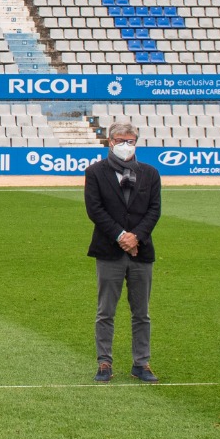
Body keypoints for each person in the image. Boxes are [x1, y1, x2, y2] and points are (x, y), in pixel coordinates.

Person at [83, 121, 162, 384]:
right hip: (109, 250)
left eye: (131, 140)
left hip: (142, 250)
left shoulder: (150, 174)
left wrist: (136, 236)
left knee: (142, 312)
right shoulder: (95, 172)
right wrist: (121, 236)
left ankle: (142, 363)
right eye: (121, 141)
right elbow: (95, 210)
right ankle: (104, 362)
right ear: (110, 142)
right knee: (106, 311)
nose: (126, 145)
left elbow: (154, 210)